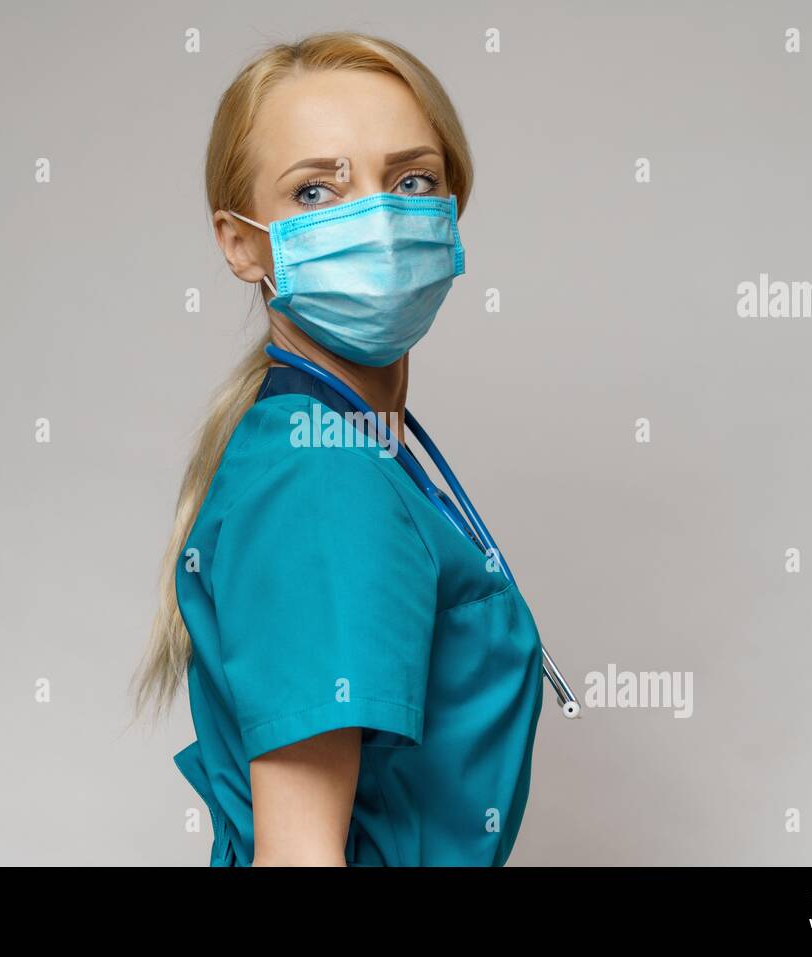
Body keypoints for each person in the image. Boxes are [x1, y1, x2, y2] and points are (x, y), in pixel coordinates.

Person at [131, 31, 544, 866]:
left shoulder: (343, 445)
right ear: (241, 241)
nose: (380, 222)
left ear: (451, 207)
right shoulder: (323, 478)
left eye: (412, 181)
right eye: (317, 190)